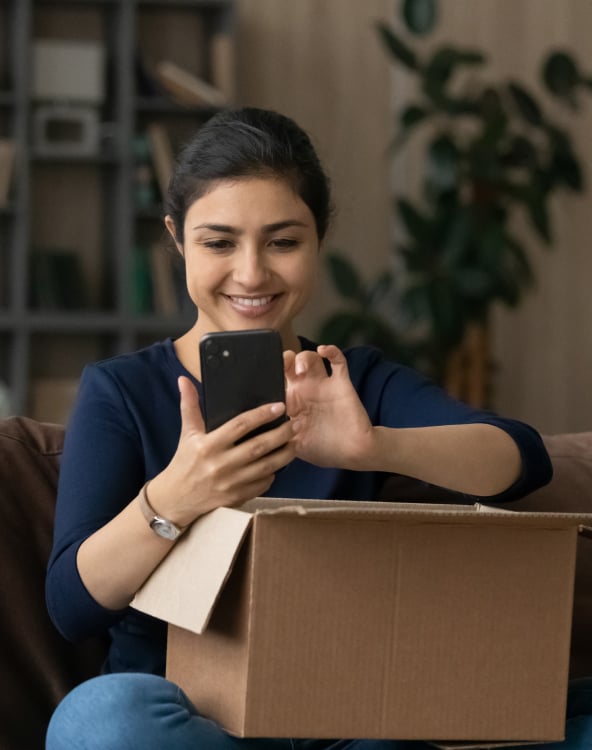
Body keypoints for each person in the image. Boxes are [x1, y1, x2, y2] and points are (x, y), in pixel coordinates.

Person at [44, 107, 582, 750]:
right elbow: (73, 607)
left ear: (318, 240)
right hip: (187, 714)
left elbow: (519, 459)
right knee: (99, 721)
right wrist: (176, 498)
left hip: (340, 712)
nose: (251, 274)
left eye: (283, 242)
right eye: (218, 242)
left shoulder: (353, 382)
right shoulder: (122, 390)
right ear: (177, 239)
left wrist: (375, 446)